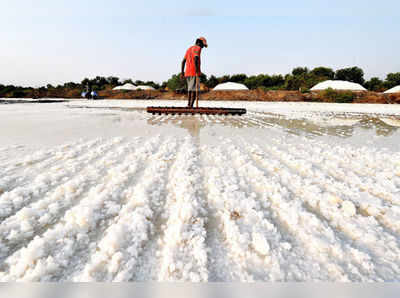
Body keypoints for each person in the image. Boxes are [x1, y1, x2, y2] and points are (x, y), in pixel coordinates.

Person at [181, 37, 208, 108]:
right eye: (203, 45)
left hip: (187, 72)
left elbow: (183, 61)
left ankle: (189, 105)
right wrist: (196, 70)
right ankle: (190, 106)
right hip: (194, 72)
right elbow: (196, 58)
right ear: (199, 42)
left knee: (190, 89)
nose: (202, 47)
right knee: (194, 91)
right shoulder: (197, 48)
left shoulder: (189, 49)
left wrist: (182, 72)